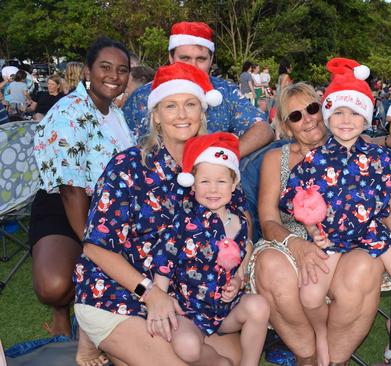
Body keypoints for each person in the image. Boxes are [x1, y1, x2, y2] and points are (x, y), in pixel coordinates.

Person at [73, 62, 243, 366]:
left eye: (190, 104)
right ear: (156, 115)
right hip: (115, 292)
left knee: (234, 359)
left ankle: (121, 352)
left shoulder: (214, 165)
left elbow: (242, 219)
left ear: (202, 112)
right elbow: (94, 247)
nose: (181, 114)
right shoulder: (128, 166)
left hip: (187, 299)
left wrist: (240, 269)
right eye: (171, 106)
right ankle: (104, 336)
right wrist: (151, 294)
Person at [253, 82, 391, 365]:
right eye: (296, 116)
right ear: (286, 126)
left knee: (364, 269)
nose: (308, 118)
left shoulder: (363, 151)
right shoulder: (281, 159)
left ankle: (340, 356)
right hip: (297, 238)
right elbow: (268, 219)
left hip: (356, 237)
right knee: (280, 274)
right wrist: (299, 242)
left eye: (312, 108)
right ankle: (306, 350)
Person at [32, 36, 134, 366]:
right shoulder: (68, 112)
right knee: (54, 285)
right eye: (105, 67)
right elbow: (70, 189)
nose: (114, 76)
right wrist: (94, 248)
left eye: (122, 70)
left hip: (111, 209)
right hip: (65, 205)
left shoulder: (116, 114)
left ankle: (95, 315)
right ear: (88, 70)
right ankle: (64, 308)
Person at [152, 132, 269, 366]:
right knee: (188, 346)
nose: (213, 189)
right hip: (188, 310)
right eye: (204, 181)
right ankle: (217, 362)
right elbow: (164, 263)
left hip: (224, 309)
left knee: (259, 306)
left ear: (234, 184)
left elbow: (239, 263)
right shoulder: (183, 222)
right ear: (193, 184)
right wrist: (159, 298)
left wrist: (237, 282)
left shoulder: (239, 223)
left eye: (221, 181)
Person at [122, 21, 272, 157]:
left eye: (201, 59)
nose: (192, 66)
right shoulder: (142, 97)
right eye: (185, 58)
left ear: (211, 60)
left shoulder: (225, 92)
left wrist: (224, 157)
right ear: (171, 57)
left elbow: (262, 128)